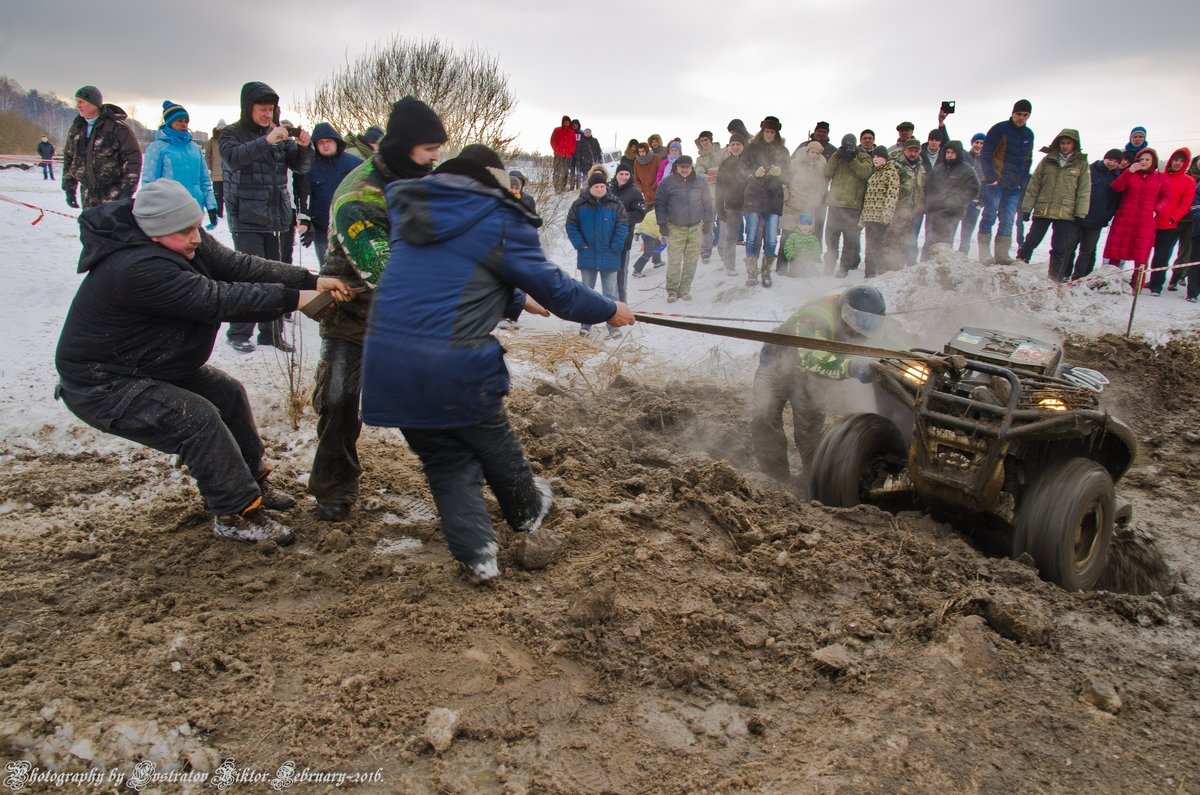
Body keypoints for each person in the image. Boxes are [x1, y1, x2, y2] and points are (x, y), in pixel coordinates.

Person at [360, 144, 635, 583]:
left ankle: (477, 553)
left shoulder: (414, 215)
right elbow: (558, 288)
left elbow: (444, 279)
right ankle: (527, 509)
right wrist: (607, 308)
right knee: (490, 433)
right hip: (453, 361)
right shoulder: (497, 217)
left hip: (388, 363)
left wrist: (517, 299)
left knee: (445, 458)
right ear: (494, 180)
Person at [54, 179, 352, 545]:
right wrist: (294, 298)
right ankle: (236, 513)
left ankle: (253, 483)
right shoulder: (134, 269)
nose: (196, 237)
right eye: (185, 231)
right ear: (154, 232)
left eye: (196, 226)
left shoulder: (182, 240)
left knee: (227, 394)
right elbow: (215, 299)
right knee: (195, 419)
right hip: (103, 383)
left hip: (150, 365)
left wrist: (310, 279)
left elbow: (237, 266)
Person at [308, 96, 448, 522]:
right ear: (406, 146)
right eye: (429, 149)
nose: (436, 157)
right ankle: (333, 489)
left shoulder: (420, 178)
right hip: (352, 311)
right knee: (339, 400)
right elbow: (390, 277)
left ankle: (456, 480)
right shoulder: (358, 197)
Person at [751, 286, 887, 481]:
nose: (855, 328)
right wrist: (853, 367)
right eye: (854, 319)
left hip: (812, 379)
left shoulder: (863, 326)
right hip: (777, 364)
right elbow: (812, 358)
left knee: (810, 434)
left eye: (867, 324)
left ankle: (814, 482)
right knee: (765, 418)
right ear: (843, 307)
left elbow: (895, 341)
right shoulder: (815, 316)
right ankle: (775, 477)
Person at [219, 81, 314, 353]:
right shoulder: (231, 134)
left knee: (277, 276)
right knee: (249, 276)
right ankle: (239, 332)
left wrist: (305, 148)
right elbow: (232, 160)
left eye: (270, 110)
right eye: (262, 109)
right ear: (247, 108)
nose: (267, 115)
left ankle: (271, 333)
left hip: (279, 215)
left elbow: (300, 167)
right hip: (247, 216)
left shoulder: (278, 134)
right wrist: (265, 141)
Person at [1014, 129, 1090, 281]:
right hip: (1044, 208)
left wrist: (1081, 214)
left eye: (1068, 143)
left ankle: (1054, 278)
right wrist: (1027, 208)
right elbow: (1034, 185)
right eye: (1062, 143)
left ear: (1074, 145)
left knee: (1059, 248)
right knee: (1030, 241)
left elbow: (1084, 190)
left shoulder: (1081, 163)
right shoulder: (1047, 160)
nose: (1065, 146)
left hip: (1065, 212)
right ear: (1058, 143)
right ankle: (1017, 271)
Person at [567, 168, 628, 337]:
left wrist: (616, 246)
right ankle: (585, 326)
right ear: (590, 187)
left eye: (602, 186)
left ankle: (613, 327)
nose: (600, 189)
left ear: (606, 187)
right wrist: (580, 244)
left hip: (610, 255)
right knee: (587, 293)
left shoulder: (616, 204)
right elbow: (571, 225)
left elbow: (622, 226)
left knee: (611, 294)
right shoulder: (579, 204)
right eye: (596, 187)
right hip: (588, 255)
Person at [142, 101, 219, 230]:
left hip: (194, 208)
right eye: (179, 121)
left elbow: (204, 181)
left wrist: (211, 206)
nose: (184, 124)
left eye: (186, 121)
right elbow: (149, 183)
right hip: (169, 211)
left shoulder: (194, 148)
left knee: (194, 248)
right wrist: (150, 212)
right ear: (169, 122)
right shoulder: (157, 148)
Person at [62, 85, 142, 209]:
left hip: (113, 195)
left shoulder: (117, 127)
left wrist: (127, 191)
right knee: (89, 227)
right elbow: (69, 157)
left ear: (93, 103)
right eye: (76, 101)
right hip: (88, 195)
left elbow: (133, 159)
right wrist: (69, 188)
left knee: (112, 228)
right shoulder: (77, 127)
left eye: (81, 101)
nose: (77, 105)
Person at [1103, 148, 1169, 293]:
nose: (1144, 162)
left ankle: (1136, 286)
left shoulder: (1160, 177)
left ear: (1153, 162)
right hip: (1124, 218)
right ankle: (1110, 283)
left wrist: (1156, 210)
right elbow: (1117, 187)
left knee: (1141, 255)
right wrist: (1129, 172)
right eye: (1141, 159)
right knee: (1116, 252)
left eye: (1147, 159)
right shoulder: (1130, 174)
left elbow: (1166, 198)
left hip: (1145, 221)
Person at [978, 99, 1035, 265]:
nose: (1021, 118)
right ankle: (983, 254)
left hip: (1014, 185)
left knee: (1008, 219)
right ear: (1013, 113)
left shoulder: (1028, 134)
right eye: (1019, 114)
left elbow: (1028, 159)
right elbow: (986, 154)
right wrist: (991, 178)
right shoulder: (999, 129)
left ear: (1029, 116)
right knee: (989, 215)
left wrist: (1023, 180)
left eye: (1025, 115)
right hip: (995, 183)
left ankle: (1002, 255)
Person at [656, 155, 714, 301]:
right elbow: (660, 204)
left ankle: (685, 289)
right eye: (682, 167)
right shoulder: (667, 183)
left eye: (687, 167)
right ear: (677, 167)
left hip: (695, 226)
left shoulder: (700, 182)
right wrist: (662, 223)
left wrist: (708, 222)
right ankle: (672, 291)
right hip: (675, 227)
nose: (684, 170)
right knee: (674, 260)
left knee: (691, 261)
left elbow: (707, 203)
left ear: (691, 167)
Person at [304, 123, 363, 265]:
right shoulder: (309, 166)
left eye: (329, 141)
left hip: (353, 226)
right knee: (327, 270)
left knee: (357, 269)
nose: (325, 145)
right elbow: (304, 195)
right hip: (322, 228)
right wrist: (307, 221)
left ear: (336, 141)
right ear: (315, 145)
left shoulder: (355, 163)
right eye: (321, 142)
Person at [740, 116, 789, 287]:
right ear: (762, 131)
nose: (769, 134)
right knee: (752, 237)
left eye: (772, 132)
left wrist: (780, 172)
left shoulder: (783, 151)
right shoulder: (751, 148)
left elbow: (789, 175)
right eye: (767, 131)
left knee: (771, 240)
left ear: (776, 133)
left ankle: (766, 272)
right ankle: (752, 273)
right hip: (753, 197)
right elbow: (742, 170)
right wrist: (754, 173)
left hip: (774, 199)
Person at [1147, 147, 1195, 296]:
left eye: (1181, 161)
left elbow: (1185, 204)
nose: (1178, 163)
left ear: (1185, 163)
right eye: (1176, 159)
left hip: (1169, 224)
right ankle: (1140, 278)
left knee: (1161, 255)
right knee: (1143, 252)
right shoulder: (1158, 175)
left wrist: (1173, 217)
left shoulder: (1188, 181)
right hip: (1150, 220)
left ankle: (1156, 284)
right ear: (1171, 159)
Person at [823, 133, 873, 278]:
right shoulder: (838, 156)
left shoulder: (863, 157)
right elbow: (826, 171)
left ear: (856, 144)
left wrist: (852, 159)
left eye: (851, 143)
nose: (849, 146)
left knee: (850, 239)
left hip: (853, 206)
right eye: (846, 143)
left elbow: (865, 173)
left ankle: (844, 267)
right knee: (831, 238)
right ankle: (829, 264)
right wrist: (837, 155)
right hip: (834, 204)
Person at [1069, 148, 1123, 280]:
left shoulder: (1117, 177)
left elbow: (1115, 202)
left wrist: (1107, 216)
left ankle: (1078, 277)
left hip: (1097, 219)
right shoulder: (1090, 169)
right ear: (1104, 158)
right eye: (1110, 159)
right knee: (1069, 247)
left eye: (1116, 161)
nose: (1112, 163)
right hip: (1079, 216)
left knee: (1086, 251)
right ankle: (1064, 273)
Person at [922, 141, 981, 258]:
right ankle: (924, 265)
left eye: (953, 152)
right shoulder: (938, 169)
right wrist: (929, 204)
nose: (950, 155)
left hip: (952, 212)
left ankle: (942, 265)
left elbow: (973, 189)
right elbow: (929, 188)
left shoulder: (967, 170)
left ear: (958, 154)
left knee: (944, 241)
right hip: (933, 211)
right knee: (929, 238)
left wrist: (954, 203)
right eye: (948, 152)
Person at [884, 139, 927, 270]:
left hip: (913, 212)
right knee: (891, 241)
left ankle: (899, 268)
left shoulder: (921, 166)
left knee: (906, 241)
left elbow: (922, 188)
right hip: (896, 211)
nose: (913, 153)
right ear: (904, 150)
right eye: (910, 150)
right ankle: (888, 268)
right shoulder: (894, 165)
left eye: (916, 151)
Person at [859, 146, 900, 278]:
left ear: (885, 158)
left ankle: (881, 272)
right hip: (869, 217)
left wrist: (886, 215)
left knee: (876, 247)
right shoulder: (874, 174)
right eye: (874, 157)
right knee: (869, 247)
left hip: (880, 218)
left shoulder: (891, 173)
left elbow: (892, 196)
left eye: (879, 157)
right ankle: (869, 274)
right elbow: (867, 198)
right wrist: (863, 217)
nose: (875, 159)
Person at [609, 162, 647, 302]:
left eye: (627, 174)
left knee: (620, 273)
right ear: (616, 175)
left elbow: (640, 214)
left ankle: (621, 302)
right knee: (608, 272)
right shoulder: (609, 189)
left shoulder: (634, 192)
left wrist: (620, 218)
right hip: (606, 239)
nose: (624, 177)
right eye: (621, 174)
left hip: (623, 240)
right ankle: (609, 300)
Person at [715, 132, 749, 275]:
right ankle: (730, 265)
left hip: (750, 203)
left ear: (743, 146)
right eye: (733, 144)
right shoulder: (725, 164)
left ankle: (752, 265)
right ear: (729, 147)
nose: (735, 147)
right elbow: (720, 187)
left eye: (738, 144)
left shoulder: (749, 162)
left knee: (753, 236)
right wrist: (720, 208)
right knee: (731, 236)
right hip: (732, 204)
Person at [694, 131, 725, 263]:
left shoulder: (722, 153)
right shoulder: (699, 159)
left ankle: (724, 251)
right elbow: (699, 175)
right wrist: (711, 175)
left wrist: (711, 171)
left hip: (723, 193)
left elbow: (726, 169)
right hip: (707, 196)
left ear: (711, 141)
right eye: (702, 141)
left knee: (724, 225)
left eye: (706, 140)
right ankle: (705, 252)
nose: (704, 143)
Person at [955, 133, 987, 254]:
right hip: (959, 201)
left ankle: (963, 255)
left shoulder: (986, 162)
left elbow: (987, 184)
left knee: (966, 234)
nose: (978, 145)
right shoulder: (963, 156)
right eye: (976, 142)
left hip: (974, 203)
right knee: (950, 228)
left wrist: (981, 203)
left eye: (982, 143)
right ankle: (946, 254)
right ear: (972, 143)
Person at [205, 120, 227, 220]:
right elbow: (207, 155)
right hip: (216, 174)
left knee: (229, 195)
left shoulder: (230, 139)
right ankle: (219, 213)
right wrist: (209, 168)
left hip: (229, 173)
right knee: (218, 195)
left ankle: (231, 213)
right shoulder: (212, 141)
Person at [550, 115, 576, 192]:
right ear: (563, 122)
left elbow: (574, 144)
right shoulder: (557, 130)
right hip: (558, 155)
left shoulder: (572, 132)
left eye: (568, 121)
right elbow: (552, 141)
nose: (567, 123)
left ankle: (562, 187)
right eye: (565, 121)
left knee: (565, 172)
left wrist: (571, 151)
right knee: (557, 171)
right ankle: (556, 187)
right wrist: (556, 149)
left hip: (568, 155)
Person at [632, 141, 662, 208]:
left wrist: (655, 185)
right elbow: (636, 178)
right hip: (646, 195)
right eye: (639, 152)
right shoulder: (636, 162)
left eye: (643, 151)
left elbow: (660, 173)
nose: (641, 153)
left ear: (647, 150)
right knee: (647, 216)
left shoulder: (656, 158)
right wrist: (641, 188)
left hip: (658, 192)